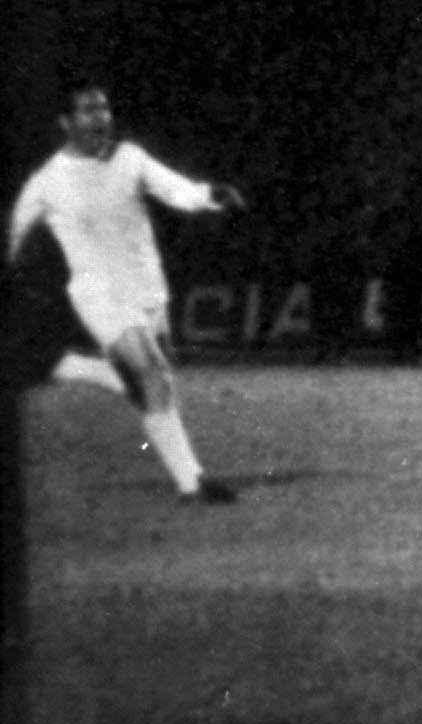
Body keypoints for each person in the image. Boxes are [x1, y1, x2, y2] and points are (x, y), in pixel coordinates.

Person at [9, 82, 246, 504]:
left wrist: (210, 194)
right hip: (97, 294)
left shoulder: (130, 158)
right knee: (152, 373)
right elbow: (14, 234)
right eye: (87, 111)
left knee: (153, 383)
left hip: (148, 289)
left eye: (103, 109)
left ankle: (80, 367)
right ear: (66, 122)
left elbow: (174, 188)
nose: (100, 118)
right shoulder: (45, 182)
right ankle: (192, 486)